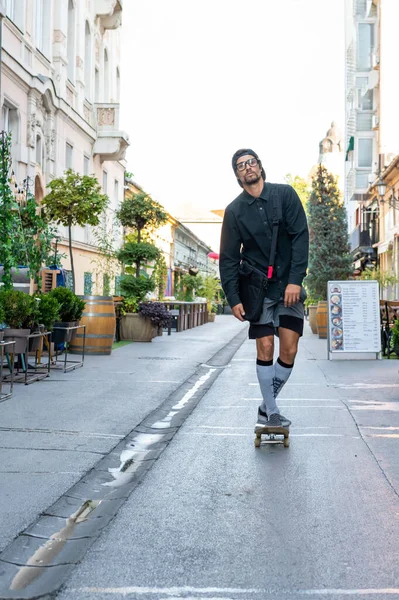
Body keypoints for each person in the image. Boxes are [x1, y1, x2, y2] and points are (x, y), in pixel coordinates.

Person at [219, 149, 309, 428]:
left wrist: (296, 279)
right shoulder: (234, 211)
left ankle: (264, 406)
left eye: (251, 162)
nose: (247, 168)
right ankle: (272, 412)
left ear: (259, 166)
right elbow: (229, 258)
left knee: (289, 349)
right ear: (237, 175)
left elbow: (300, 237)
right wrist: (233, 297)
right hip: (257, 290)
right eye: (240, 166)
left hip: (288, 285)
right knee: (266, 346)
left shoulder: (285, 195)